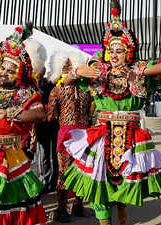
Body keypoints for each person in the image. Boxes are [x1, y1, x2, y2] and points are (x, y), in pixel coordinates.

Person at [61, 1, 161, 225]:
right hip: (102, 135)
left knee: (125, 187)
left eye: (120, 50)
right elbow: (66, 81)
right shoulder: (99, 72)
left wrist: (137, 72)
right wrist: (78, 71)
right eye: (111, 50)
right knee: (100, 185)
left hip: (130, 137)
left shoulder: (137, 73)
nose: (114, 55)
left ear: (128, 52)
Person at [0, 25, 47, 225]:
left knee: (5, 207)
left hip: (7, 156)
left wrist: (12, 112)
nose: (4, 73)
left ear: (20, 72)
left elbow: (40, 114)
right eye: (3, 67)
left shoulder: (25, 92)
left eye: (11, 70)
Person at [47, 51, 92, 223]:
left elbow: (50, 116)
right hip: (81, 133)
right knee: (78, 170)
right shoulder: (85, 90)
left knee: (68, 172)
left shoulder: (57, 90)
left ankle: (64, 209)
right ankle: (73, 206)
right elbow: (89, 114)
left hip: (70, 133)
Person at [24, 38, 59, 194]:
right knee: (42, 155)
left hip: (52, 124)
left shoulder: (50, 84)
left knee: (52, 154)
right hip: (40, 126)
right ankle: (43, 181)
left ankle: (51, 181)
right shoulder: (32, 84)